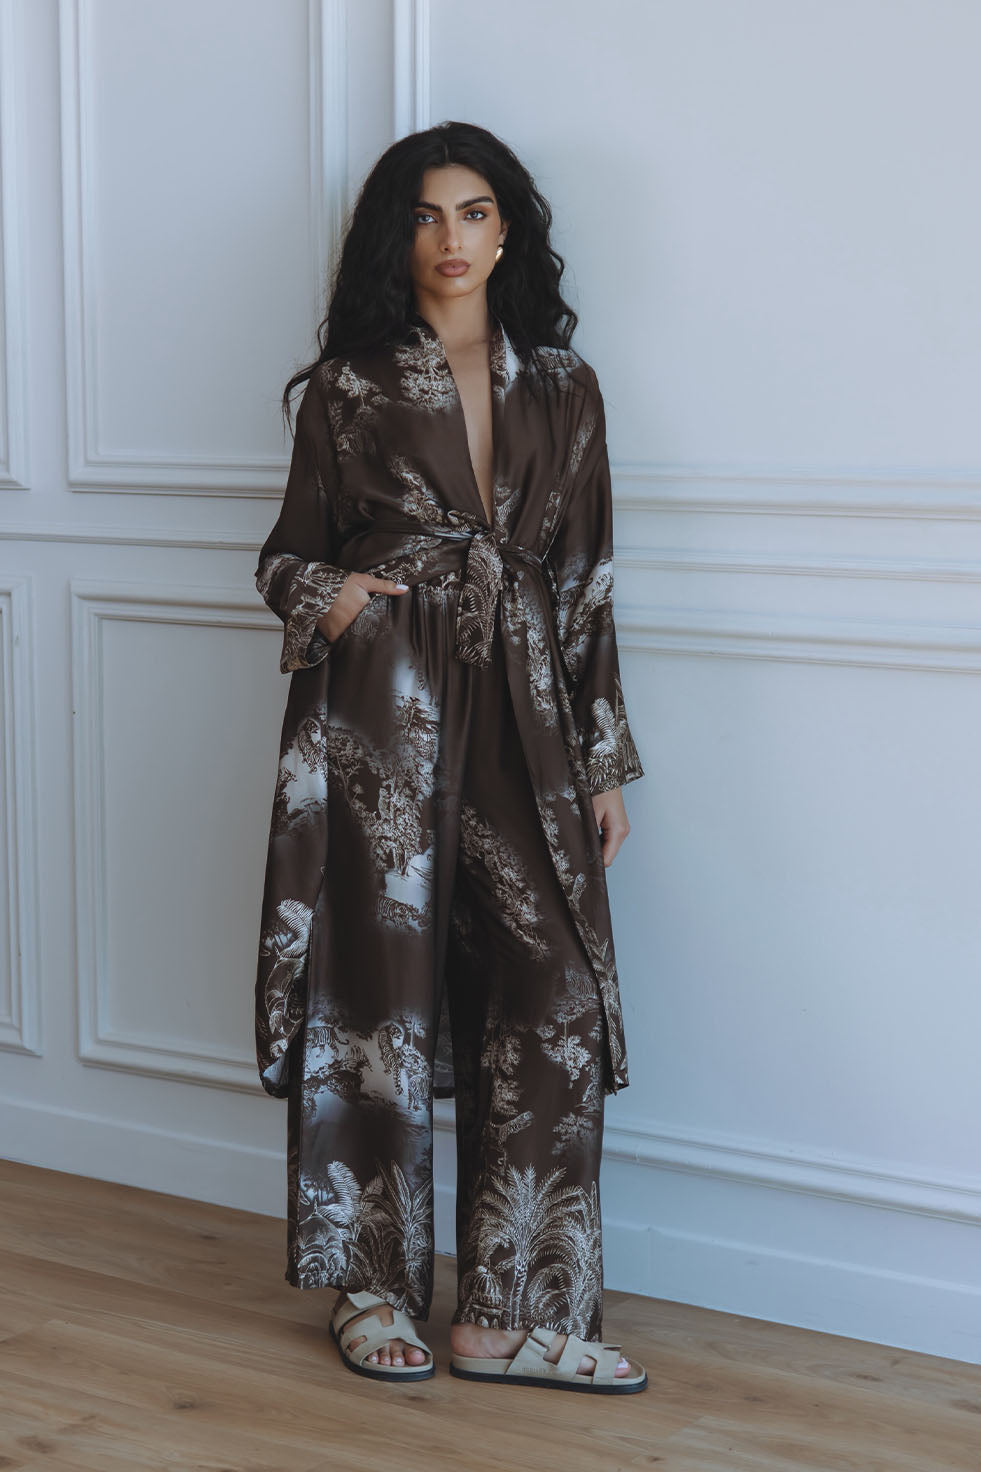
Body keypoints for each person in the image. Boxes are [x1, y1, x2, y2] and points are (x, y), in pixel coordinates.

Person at [253, 120, 647, 1394]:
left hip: (527, 706)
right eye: (426, 216)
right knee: (377, 983)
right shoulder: (351, 386)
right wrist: (334, 597)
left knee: (554, 987)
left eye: (474, 212)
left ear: (508, 228)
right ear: (397, 234)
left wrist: (601, 762)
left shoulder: (566, 387)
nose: (451, 238)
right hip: (386, 702)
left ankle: (506, 1309)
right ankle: (371, 1286)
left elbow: (584, 586)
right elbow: (283, 556)